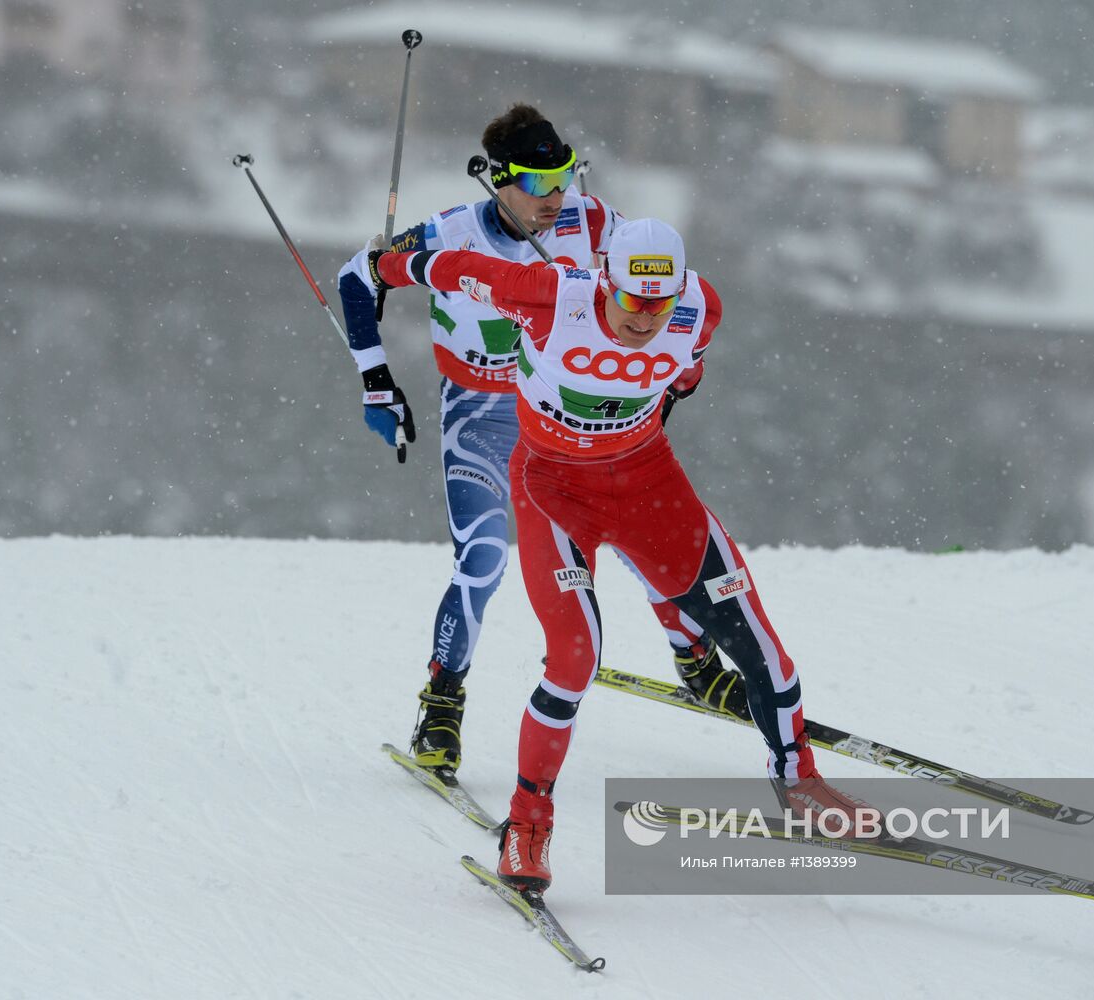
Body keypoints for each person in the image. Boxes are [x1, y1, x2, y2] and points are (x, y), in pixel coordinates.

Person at [353, 216, 880, 892]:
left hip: (647, 481)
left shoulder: (700, 308)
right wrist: (384, 265)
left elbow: (684, 371)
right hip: (552, 487)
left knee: (765, 652)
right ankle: (527, 826)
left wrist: (672, 387)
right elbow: (453, 269)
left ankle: (799, 783)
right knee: (575, 659)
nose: (644, 319)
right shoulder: (551, 296)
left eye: (659, 305)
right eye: (632, 301)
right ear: (606, 282)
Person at [336, 105, 748, 779]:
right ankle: (441, 702)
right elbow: (362, 275)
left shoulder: (590, 222)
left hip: (570, 422)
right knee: (485, 556)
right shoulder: (452, 233)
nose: (555, 199)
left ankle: (694, 659)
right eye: (537, 183)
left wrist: (672, 377)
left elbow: (661, 292)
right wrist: (376, 381)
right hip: (484, 412)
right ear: (497, 178)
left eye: (564, 177)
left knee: (643, 539)